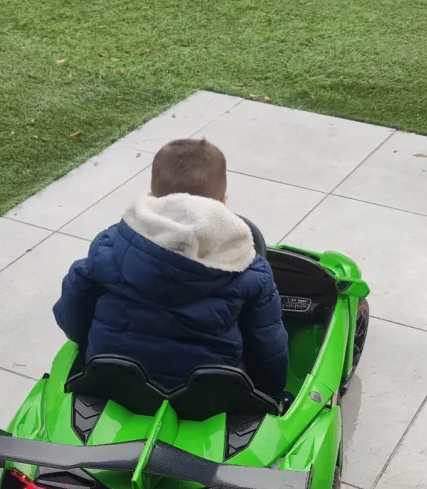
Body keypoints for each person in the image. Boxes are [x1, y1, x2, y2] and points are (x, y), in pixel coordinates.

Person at [53, 138, 288, 397]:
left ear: (152, 198)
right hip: (208, 397)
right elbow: (267, 348)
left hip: (112, 382)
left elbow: (71, 318)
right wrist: (271, 393)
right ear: (223, 201)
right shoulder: (251, 271)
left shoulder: (109, 246)